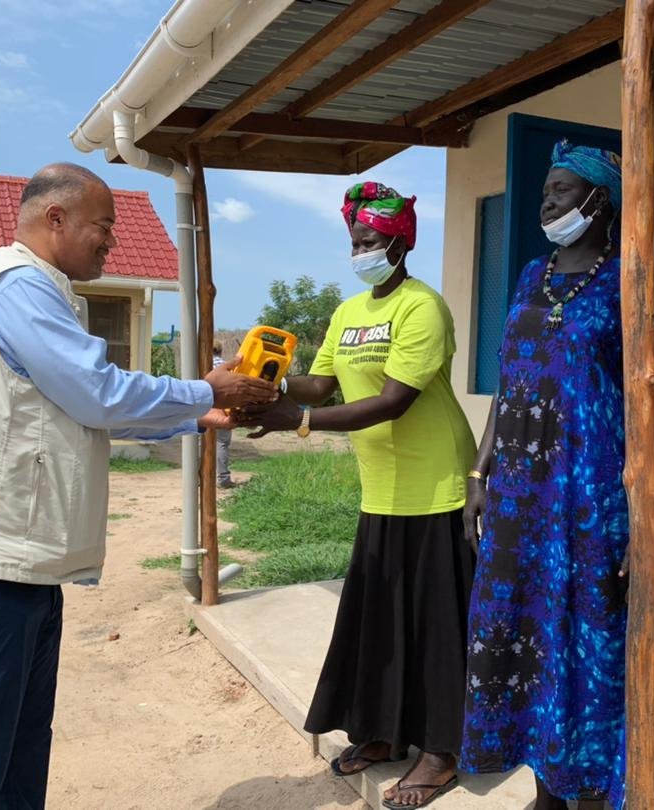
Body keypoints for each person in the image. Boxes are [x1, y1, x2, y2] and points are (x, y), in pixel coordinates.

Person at [0, 163, 276, 809]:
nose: (111, 241)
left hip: (15, 576)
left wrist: (199, 413)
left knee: (14, 769)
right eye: (103, 226)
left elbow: (81, 414)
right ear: (55, 218)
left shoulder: (47, 294)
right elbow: (96, 391)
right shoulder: (17, 283)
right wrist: (206, 390)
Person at [237, 181, 476, 809]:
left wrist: (302, 424)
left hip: (436, 482)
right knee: (381, 619)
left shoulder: (423, 308)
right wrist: (269, 388)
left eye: (369, 240)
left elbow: (394, 401)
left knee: (433, 626)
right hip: (383, 488)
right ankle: (383, 730)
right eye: (354, 242)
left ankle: (441, 751)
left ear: (397, 242)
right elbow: (322, 384)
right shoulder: (348, 312)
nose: (359, 250)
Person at [459, 140, 654, 809]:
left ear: (596, 199)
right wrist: (480, 470)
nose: (546, 202)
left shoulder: (636, 280)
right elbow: (509, 377)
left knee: (588, 639)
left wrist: (644, 501)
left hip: (588, 494)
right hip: (520, 494)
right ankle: (544, 786)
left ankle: (587, 790)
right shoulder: (531, 275)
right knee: (523, 630)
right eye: (547, 190)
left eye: (559, 190)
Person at [212, 339, 234, 488]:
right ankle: (223, 478)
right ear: (220, 351)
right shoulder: (228, 367)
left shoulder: (199, 365)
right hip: (223, 409)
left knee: (200, 444)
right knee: (222, 443)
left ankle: (198, 478)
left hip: (202, 408)